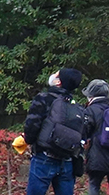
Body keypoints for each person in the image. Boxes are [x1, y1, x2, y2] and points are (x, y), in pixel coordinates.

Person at [23, 67, 84, 195]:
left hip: (44, 157)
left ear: (58, 82)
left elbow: (32, 125)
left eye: (56, 74)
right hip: (67, 160)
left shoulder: (44, 98)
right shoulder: (77, 107)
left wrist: (28, 140)